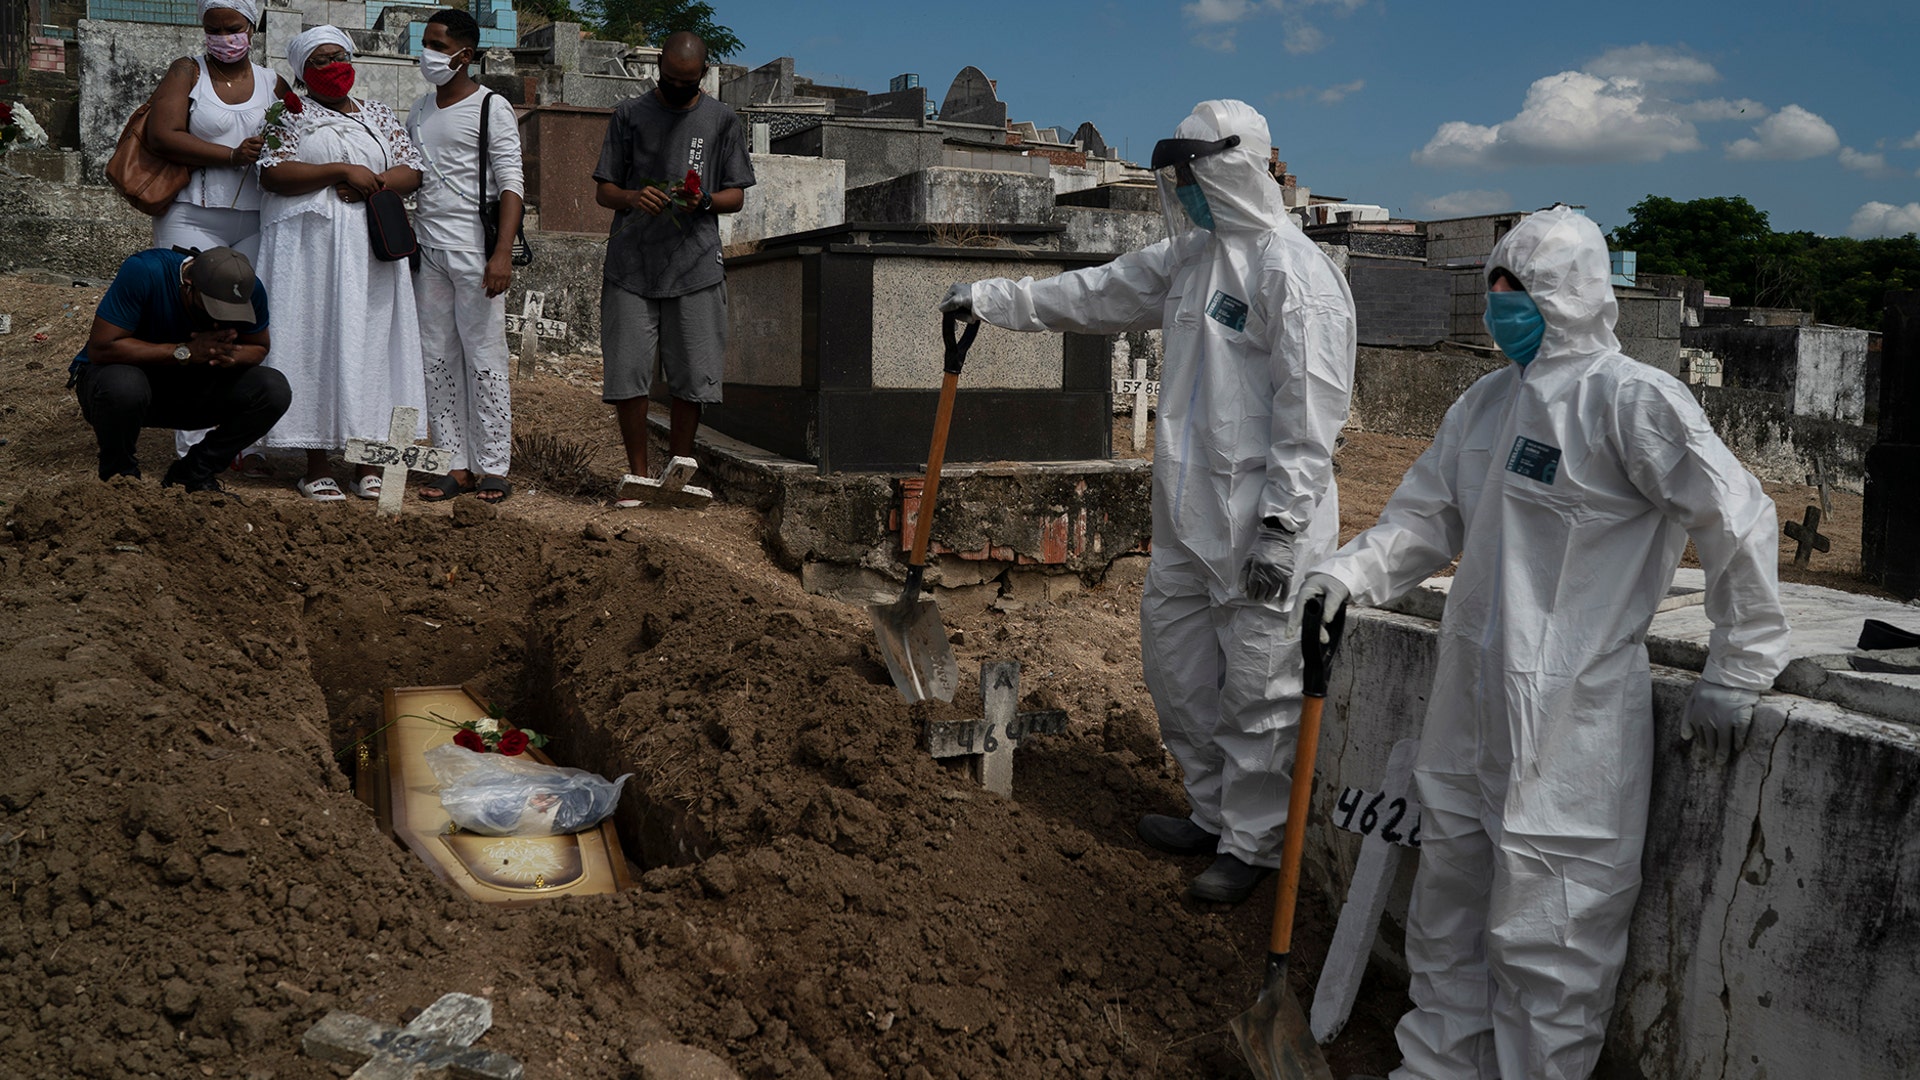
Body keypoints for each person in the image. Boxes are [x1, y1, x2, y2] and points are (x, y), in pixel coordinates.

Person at [1289, 206, 1791, 1080]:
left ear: (1566, 297)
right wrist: (1348, 574)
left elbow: (1737, 518)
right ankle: (1437, 1068)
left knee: (1550, 939)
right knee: (1448, 913)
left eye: (1516, 293)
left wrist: (1740, 663)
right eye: (1494, 291)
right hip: (1470, 706)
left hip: (1573, 722)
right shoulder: (1486, 403)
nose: (1500, 309)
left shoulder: (1631, 400)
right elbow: (1423, 519)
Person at [941, 99, 1356, 904]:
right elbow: (1093, 295)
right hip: (1190, 521)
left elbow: (1311, 421)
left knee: (1260, 693)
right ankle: (1209, 812)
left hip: (1265, 529)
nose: (1187, 190)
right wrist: (989, 298)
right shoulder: (1191, 259)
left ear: (1231, 168)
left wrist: (1281, 528)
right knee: (1181, 678)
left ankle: (1255, 846)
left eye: (1196, 175)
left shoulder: (1295, 277)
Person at [255, 25, 426, 503]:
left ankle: (370, 461)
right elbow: (272, 174)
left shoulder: (375, 114)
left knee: (372, 345)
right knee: (315, 342)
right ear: (304, 73)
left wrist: (374, 181)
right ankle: (315, 463)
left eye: (340, 57)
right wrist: (338, 170)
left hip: (370, 252)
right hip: (311, 253)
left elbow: (412, 167)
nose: (334, 68)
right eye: (322, 61)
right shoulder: (287, 114)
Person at [592, 30, 753, 502]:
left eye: (687, 82)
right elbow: (605, 189)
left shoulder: (722, 120)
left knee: (694, 375)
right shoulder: (629, 114)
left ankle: (678, 472)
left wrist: (704, 200)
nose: (677, 87)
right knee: (628, 373)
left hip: (696, 265)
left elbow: (736, 195)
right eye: (669, 78)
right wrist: (631, 196)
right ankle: (639, 475)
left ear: (704, 74)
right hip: (631, 264)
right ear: (658, 66)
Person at [142, 0, 290, 473]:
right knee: (192, 317)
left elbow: (300, 131)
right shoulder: (188, 72)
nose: (224, 38)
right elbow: (162, 134)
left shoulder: (272, 82)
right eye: (213, 29)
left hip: (256, 216)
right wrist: (230, 155)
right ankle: (191, 439)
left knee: (246, 321)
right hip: (191, 214)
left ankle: (244, 442)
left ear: (251, 27)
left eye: (233, 28)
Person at [406, 8, 524, 504]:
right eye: (426, 43)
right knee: (436, 359)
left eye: (437, 45)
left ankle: (493, 465)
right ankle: (452, 464)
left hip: (476, 252)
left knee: (485, 358)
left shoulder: (490, 106)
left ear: (465, 54)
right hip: (427, 249)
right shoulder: (418, 109)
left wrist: (502, 255)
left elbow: (512, 184)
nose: (427, 54)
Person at [67, 246, 290, 492]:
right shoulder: (144, 271)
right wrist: (185, 352)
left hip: (192, 387)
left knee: (273, 389)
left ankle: (194, 472)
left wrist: (228, 355)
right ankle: (121, 480)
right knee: (124, 384)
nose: (221, 318)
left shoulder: (246, 289)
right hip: (123, 387)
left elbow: (258, 347)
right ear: (188, 284)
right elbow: (102, 348)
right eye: (213, 307)